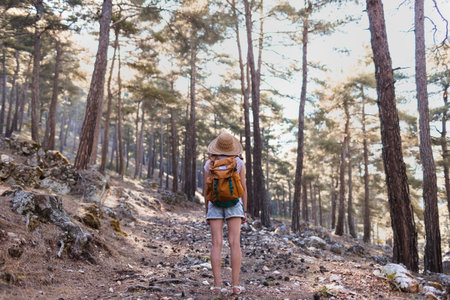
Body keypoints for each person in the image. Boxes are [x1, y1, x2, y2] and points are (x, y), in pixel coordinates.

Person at [203, 132, 247, 295]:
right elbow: (243, 188)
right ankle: (235, 286)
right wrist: (244, 210)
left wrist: (206, 211)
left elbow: (206, 189)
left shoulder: (210, 163)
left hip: (214, 203)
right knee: (235, 243)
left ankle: (216, 286)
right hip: (235, 204)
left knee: (216, 243)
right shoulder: (238, 162)